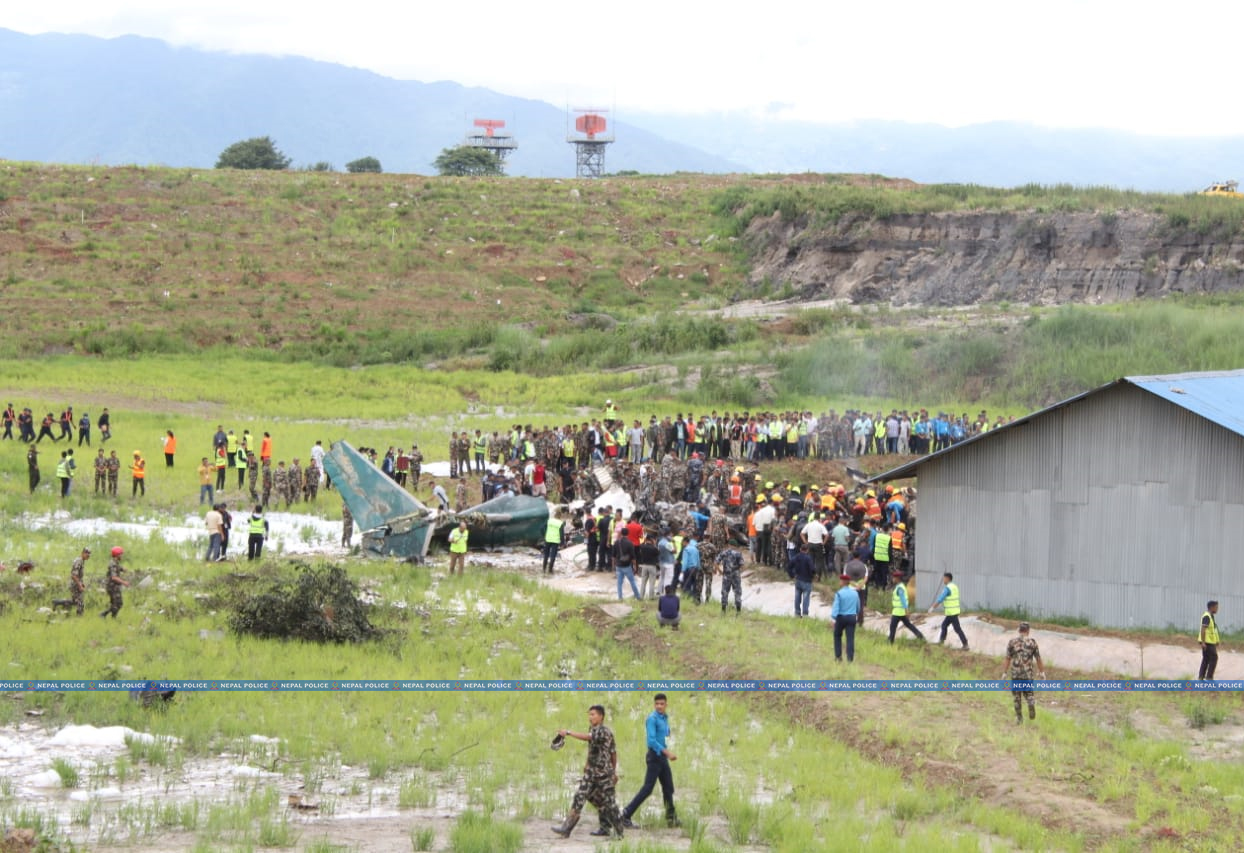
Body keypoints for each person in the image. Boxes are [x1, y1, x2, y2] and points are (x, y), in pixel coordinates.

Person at [552, 704, 624, 839]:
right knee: (580, 796)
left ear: (601, 716)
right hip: (591, 772)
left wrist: (568, 733)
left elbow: (611, 752)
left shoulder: (603, 731)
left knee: (609, 803)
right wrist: (586, 764)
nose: (590, 717)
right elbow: (592, 749)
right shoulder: (592, 729)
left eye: (593, 714)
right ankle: (566, 828)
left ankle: (618, 832)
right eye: (589, 715)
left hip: (603, 774)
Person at [619, 693, 679, 831]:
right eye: (657, 704)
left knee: (668, 787)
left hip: (661, 757)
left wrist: (667, 734)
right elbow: (651, 741)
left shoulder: (664, 717)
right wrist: (667, 752)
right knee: (647, 788)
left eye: (662, 704)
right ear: (654, 705)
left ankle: (671, 818)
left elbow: (664, 733)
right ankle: (626, 814)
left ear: (666, 704)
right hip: (655, 757)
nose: (659, 706)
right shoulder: (652, 719)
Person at [1003, 622, 1045, 723]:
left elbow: (1007, 658)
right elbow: (1038, 659)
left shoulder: (1012, 642)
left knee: (1017, 697)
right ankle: (1030, 702)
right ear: (1028, 631)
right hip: (1028, 674)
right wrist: (1042, 672)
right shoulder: (1032, 643)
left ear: (1019, 630)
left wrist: (1004, 672)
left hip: (1015, 674)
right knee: (1029, 693)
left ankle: (1019, 718)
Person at [929, 572, 969, 650]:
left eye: (944, 578)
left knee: (957, 629)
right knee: (944, 625)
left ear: (947, 578)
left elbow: (940, 598)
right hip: (954, 611)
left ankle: (965, 645)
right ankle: (941, 642)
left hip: (951, 612)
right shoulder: (954, 587)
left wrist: (932, 608)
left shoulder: (948, 588)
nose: (943, 580)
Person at [888, 569, 925, 643]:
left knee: (893, 626)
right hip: (900, 611)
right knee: (908, 624)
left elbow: (903, 600)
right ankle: (920, 636)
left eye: (894, 578)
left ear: (897, 578)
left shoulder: (900, 588)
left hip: (898, 611)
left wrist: (906, 610)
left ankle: (890, 641)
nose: (893, 579)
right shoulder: (901, 586)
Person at [831, 574, 860, 663]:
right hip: (852, 617)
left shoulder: (839, 593)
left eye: (840, 581)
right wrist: (856, 614)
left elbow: (836, 607)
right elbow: (858, 607)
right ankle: (850, 659)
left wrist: (833, 619)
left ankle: (838, 656)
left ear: (843, 582)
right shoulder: (855, 593)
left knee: (837, 635)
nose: (839, 582)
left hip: (841, 617)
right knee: (850, 638)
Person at [101, 547, 129, 618]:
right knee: (119, 603)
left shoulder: (115, 562)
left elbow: (117, 567)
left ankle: (112, 617)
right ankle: (104, 614)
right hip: (112, 587)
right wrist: (124, 582)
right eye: (121, 554)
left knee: (115, 604)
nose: (122, 556)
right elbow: (114, 577)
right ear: (117, 555)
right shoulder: (113, 564)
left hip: (113, 587)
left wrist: (123, 569)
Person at [716, 545, 744, 614]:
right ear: (735, 546)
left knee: (725, 592)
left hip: (726, 575)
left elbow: (716, 562)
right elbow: (742, 565)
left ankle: (723, 610)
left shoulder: (724, 553)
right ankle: (738, 611)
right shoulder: (738, 553)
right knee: (737, 592)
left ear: (729, 545)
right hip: (736, 576)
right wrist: (738, 572)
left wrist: (720, 571)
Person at [790, 542, 815, 617]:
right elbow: (812, 569)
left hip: (798, 579)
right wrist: (812, 576)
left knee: (797, 597)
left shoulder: (796, 557)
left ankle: (797, 613)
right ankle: (805, 614)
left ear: (800, 549)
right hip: (807, 581)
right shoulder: (808, 558)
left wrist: (792, 575)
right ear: (807, 550)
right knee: (806, 598)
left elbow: (789, 566)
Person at [615, 535, 641, 601]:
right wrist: (635, 566)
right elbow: (633, 556)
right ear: (628, 534)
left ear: (621, 533)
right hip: (627, 566)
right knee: (632, 581)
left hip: (618, 566)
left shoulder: (616, 542)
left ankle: (620, 598)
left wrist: (613, 566)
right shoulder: (630, 543)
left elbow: (613, 555)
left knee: (619, 583)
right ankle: (638, 596)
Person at [1199, 600, 1220, 681]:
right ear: (1212, 607)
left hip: (1210, 641)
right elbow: (1203, 629)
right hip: (1207, 642)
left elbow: (1213, 630)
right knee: (1214, 658)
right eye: (1216, 607)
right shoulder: (1207, 616)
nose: (1217, 609)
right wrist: (1203, 642)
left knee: (1206, 659)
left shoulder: (1211, 616)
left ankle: (1201, 677)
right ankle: (1209, 677)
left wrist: (1216, 640)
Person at [543, 510, 565, 574]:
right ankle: (550, 570)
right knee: (553, 555)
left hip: (548, 539)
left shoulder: (549, 521)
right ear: (560, 516)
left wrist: (544, 535)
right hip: (555, 541)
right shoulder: (560, 523)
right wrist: (562, 543)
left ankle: (544, 569)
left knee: (546, 554)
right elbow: (562, 534)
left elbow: (542, 528)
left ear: (554, 515)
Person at [69, 547, 90, 616]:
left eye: (89, 554)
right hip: (75, 585)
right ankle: (79, 617)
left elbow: (78, 575)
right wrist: (80, 585)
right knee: (79, 602)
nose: (88, 555)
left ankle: (78, 616)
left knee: (79, 601)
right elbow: (74, 575)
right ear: (82, 553)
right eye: (87, 553)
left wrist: (82, 583)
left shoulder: (81, 561)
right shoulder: (78, 561)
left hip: (77, 584)